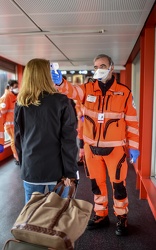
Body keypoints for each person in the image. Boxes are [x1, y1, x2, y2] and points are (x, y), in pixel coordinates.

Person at [51, 54, 140, 236]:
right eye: (96, 66)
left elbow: (132, 122)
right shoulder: (88, 89)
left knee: (119, 186)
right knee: (97, 185)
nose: (98, 69)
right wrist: (61, 83)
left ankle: (121, 217)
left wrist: (134, 146)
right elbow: (72, 91)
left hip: (115, 150)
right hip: (92, 150)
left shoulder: (124, 93)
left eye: (102, 65)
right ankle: (101, 214)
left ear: (111, 68)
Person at [14, 58, 78, 204]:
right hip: (58, 170)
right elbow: (68, 140)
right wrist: (70, 172)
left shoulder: (21, 103)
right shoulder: (62, 101)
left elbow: (19, 139)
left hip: (31, 168)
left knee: (31, 217)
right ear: (46, 75)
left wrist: (25, 166)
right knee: (59, 216)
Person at [0, 80, 19, 164]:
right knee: (14, 141)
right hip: (10, 124)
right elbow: (2, 113)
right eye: (15, 87)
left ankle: (19, 156)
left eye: (17, 87)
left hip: (15, 123)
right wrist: (2, 124)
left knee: (17, 140)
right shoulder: (6, 97)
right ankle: (17, 158)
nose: (17, 89)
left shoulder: (14, 96)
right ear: (10, 87)